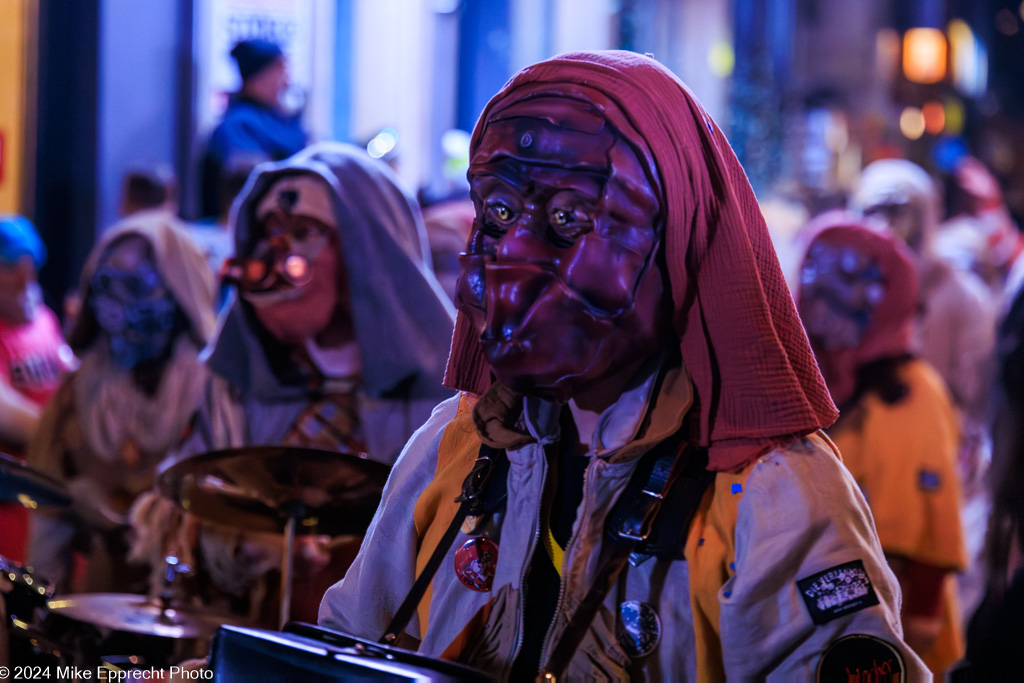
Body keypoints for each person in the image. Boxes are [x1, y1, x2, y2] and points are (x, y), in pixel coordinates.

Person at [319, 51, 927, 680]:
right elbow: (345, 647)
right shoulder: (456, 445)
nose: (514, 258)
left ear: (677, 239)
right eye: (498, 212)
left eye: (568, 219)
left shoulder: (773, 494)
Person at [167, 142, 456, 623]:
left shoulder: (446, 395)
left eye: (305, 233)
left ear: (368, 248)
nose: (279, 252)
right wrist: (244, 538)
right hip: (249, 628)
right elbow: (182, 495)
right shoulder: (235, 382)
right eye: (269, 231)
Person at [796, 215, 967, 675]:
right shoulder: (801, 386)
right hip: (819, 624)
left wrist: (920, 615)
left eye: (856, 283)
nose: (832, 304)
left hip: (898, 631)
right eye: (825, 281)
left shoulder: (915, 392)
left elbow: (934, 519)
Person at [26, 211, 216, 593]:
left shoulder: (212, 396)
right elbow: (46, 529)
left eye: (137, 287)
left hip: (191, 604)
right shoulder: (78, 392)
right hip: (98, 603)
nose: (121, 306)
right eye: (107, 287)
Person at [0, 215, 73, 564]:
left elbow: (72, 383)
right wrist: (73, 436)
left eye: (32, 266)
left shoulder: (44, 319)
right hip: (11, 514)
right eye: (12, 268)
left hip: (55, 503)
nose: (26, 279)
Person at [199, 39, 307, 219]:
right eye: (281, 70)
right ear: (259, 77)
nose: (287, 81)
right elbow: (253, 186)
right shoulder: (238, 127)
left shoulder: (279, 121)